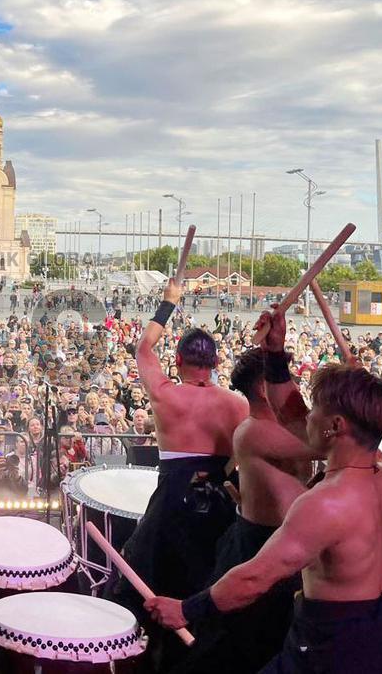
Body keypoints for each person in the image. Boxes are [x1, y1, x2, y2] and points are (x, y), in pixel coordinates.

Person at [146, 355, 382, 674]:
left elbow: (255, 578)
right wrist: (275, 354)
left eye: (314, 410)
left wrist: (185, 609)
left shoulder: (325, 503)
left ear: (335, 425)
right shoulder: (381, 470)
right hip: (380, 622)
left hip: (338, 643)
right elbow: (299, 416)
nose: (304, 419)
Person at [105, 278, 248, 672]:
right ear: (216, 365)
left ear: (180, 361)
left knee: (146, 583)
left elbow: (143, 348)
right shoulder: (237, 405)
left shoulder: (166, 394)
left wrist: (168, 303)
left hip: (171, 502)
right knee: (206, 586)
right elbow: (241, 459)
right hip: (218, 504)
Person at [172, 346, 322, 674]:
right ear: (261, 388)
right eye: (285, 378)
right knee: (238, 649)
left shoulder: (286, 424)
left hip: (282, 543)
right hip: (258, 545)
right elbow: (325, 443)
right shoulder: (253, 430)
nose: (293, 383)